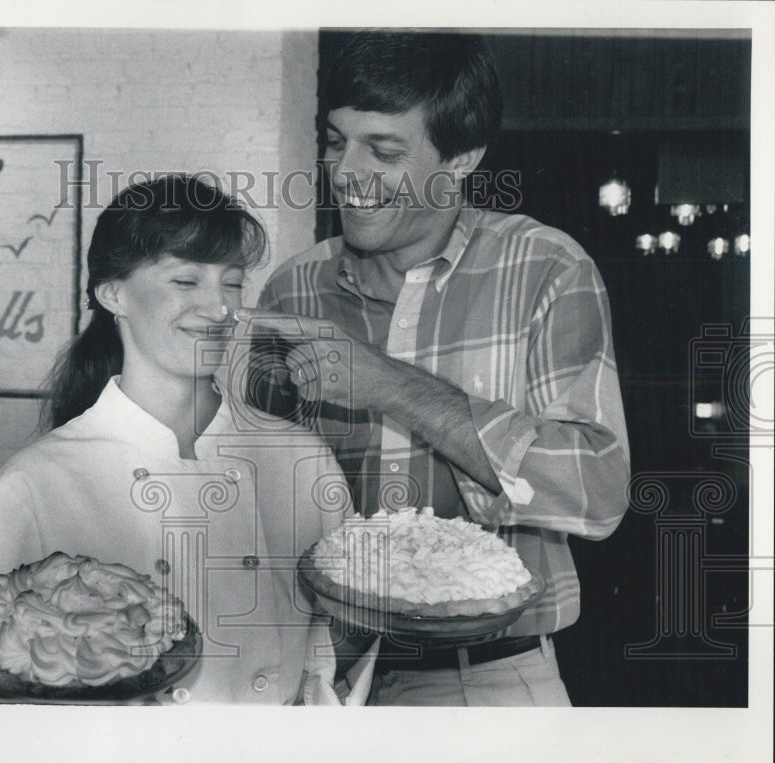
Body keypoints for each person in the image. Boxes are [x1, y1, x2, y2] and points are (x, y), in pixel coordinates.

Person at [240, 31, 631, 706]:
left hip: (486, 682)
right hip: (324, 676)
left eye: (383, 150)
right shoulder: (292, 290)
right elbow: (262, 498)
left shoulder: (547, 270)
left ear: (462, 160)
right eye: (336, 141)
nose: (345, 171)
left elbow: (598, 493)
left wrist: (388, 383)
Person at [0, 175, 371, 705]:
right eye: (186, 282)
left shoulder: (301, 458)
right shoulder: (34, 481)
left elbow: (343, 631)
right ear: (113, 293)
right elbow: (7, 673)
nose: (219, 308)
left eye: (232, 283)